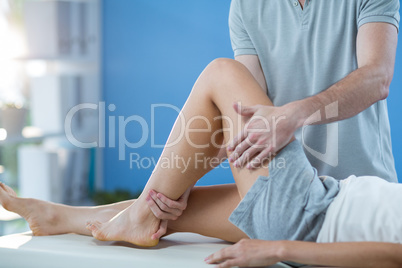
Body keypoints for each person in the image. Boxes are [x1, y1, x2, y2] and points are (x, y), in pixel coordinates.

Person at [1, 59, 402, 267]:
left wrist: (278, 247)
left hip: (310, 217)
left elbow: (393, 257)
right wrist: (189, 172)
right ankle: (57, 217)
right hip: (321, 204)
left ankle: (137, 213)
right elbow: (234, 132)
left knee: (222, 72)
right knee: (169, 211)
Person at [227, 0, 400, 182]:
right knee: (218, 71)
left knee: (218, 70)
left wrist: (295, 114)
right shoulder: (244, 4)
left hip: (366, 186)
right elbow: (250, 113)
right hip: (296, 189)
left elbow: (377, 79)